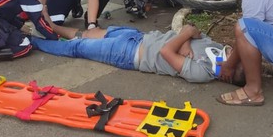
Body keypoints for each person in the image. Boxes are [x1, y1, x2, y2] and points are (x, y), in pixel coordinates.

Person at [31, 24, 239, 84]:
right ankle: (48, 25)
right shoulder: (218, 49)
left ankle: (31, 41)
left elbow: (166, 51)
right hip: (138, 36)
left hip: (129, 54)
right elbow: (190, 27)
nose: (231, 52)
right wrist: (186, 36)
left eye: (233, 59)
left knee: (77, 47)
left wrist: (186, 35)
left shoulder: (202, 72)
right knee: (84, 34)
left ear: (226, 74)